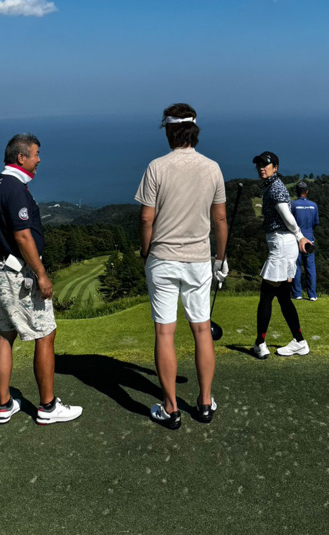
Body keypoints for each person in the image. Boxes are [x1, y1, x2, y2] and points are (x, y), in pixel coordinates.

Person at [136, 103, 228, 429]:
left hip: (162, 258)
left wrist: (145, 252)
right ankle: (204, 403)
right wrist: (221, 258)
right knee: (202, 329)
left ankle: (171, 408)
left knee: (165, 331)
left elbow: (147, 218)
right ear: (195, 130)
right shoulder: (212, 168)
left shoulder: (156, 167)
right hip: (199, 260)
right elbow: (220, 219)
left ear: (170, 131)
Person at [0, 133, 82, 425]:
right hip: (19, 274)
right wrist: (41, 273)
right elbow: (23, 235)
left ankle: (4, 405)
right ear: (21, 158)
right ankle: (48, 407)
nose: (40, 159)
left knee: (5, 333)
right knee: (45, 333)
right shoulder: (15, 189)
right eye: (36, 154)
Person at [251, 151, 311, 358]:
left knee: (266, 296)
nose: (261, 167)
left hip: (282, 245)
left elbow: (287, 217)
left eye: (266, 164)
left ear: (275, 167)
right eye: (259, 164)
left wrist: (300, 236)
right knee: (283, 298)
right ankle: (299, 341)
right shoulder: (274, 186)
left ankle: (260, 343)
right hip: (283, 245)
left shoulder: (275, 188)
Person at [290, 181, 320, 300]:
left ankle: (297, 294)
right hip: (310, 239)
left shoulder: (293, 205)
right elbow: (316, 223)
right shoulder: (314, 205)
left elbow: (290, 223)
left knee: (297, 266)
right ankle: (312, 295)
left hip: (296, 240)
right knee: (310, 267)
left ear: (297, 192)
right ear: (307, 191)